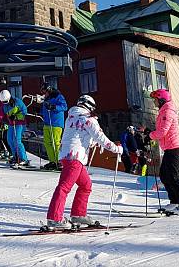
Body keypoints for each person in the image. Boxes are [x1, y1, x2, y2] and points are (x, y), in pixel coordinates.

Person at [43, 95, 123, 230]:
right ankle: (54, 218)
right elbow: (100, 137)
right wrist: (116, 149)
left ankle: (78, 214)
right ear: (90, 106)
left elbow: (78, 135)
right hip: (74, 157)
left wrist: (92, 143)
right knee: (64, 187)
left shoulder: (72, 116)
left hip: (69, 155)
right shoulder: (87, 119)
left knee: (86, 185)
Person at [148, 89, 179, 215]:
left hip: (174, 148)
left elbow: (163, 131)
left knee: (173, 177)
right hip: (169, 148)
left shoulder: (167, 111)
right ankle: (174, 201)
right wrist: (150, 133)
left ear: (161, 99)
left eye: (156, 99)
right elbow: (162, 130)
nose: (154, 102)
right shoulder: (164, 111)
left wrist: (150, 135)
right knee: (164, 175)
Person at [0, 89, 29, 167]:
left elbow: (24, 111)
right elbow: (1, 115)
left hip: (20, 124)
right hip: (11, 124)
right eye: (3, 102)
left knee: (17, 140)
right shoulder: (3, 105)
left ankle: (23, 159)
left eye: (6, 102)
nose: (5, 103)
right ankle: (15, 156)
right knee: (9, 140)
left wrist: (16, 116)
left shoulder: (17, 102)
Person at [39, 85, 67, 170]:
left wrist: (54, 107)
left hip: (56, 123)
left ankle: (60, 161)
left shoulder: (58, 96)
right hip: (47, 123)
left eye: (45, 92)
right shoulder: (46, 99)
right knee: (47, 142)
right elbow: (45, 110)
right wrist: (39, 111)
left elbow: (64, 107)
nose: (44, 94)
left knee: (55, 142)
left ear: (49, 90)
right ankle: (52, 161)